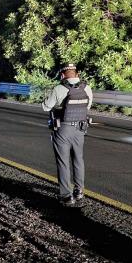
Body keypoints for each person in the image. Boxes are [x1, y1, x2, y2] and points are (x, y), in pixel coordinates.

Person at [41, 63, 93, 208]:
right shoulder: (87, 88)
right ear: (77, 74)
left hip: (63, 129)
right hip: (80, 129)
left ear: (63, 75)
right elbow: (87, 107)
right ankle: (79, 190)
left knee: (63, 162)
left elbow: (46, 107)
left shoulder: (59, 88)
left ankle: (66, 195)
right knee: (78, 159)